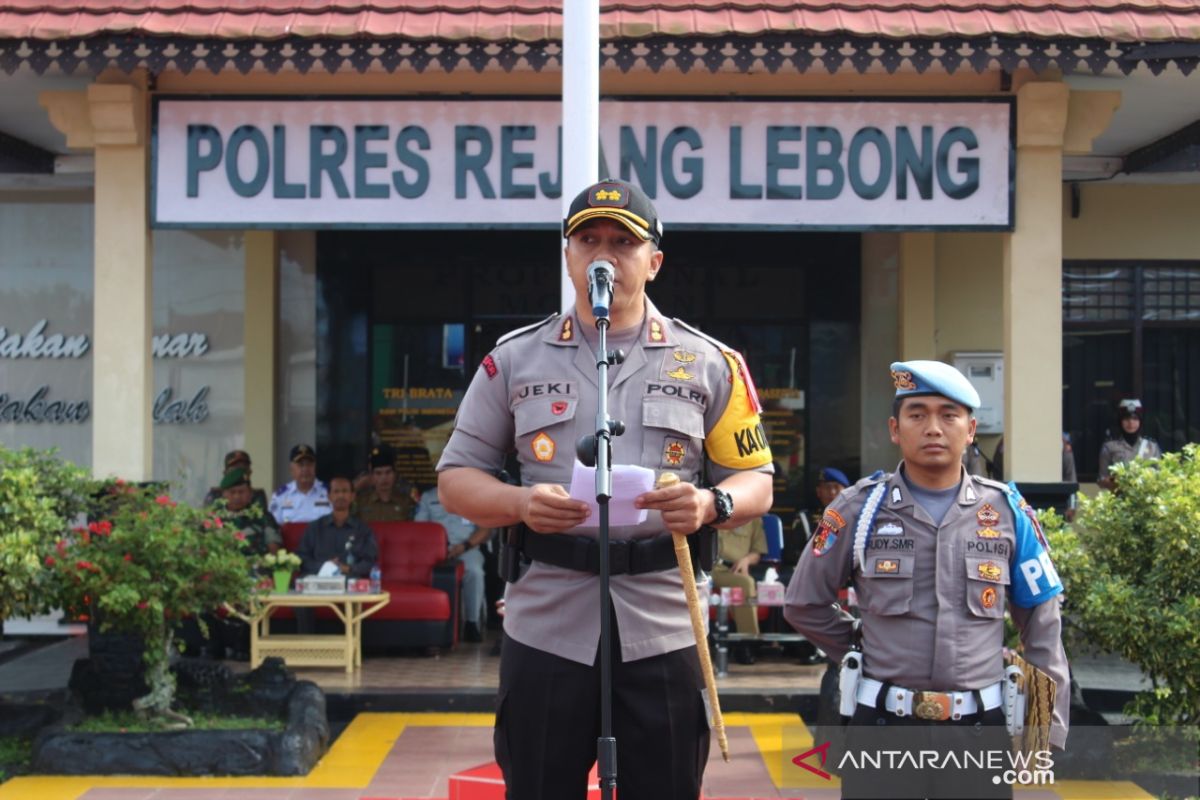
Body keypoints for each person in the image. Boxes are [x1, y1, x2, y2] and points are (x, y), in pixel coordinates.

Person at [436, 178, 774, 800]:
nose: (605, 255)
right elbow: (456, 480)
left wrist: (709, 504)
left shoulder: (709, 362)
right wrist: (519, 504)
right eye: (588, 239)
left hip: (665, 619)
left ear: (655, 261)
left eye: (624, 242)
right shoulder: (514, 359)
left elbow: (756, 480)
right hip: (547, 619)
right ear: (567, 254)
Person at [784, 360, 1069, 798]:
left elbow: (1043, 624)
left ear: (971, 429)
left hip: (978, 732)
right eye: (917, 415)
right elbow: (804, 603)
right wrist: (863, 647)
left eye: (948, 415)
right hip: (882, 727)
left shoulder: (1009, 513)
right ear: (895, 429)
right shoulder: (858, 510)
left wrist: (1043, 730)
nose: (933, 427)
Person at [294, 476, 379, 634]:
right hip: (318, 579)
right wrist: (326, 566)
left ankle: (349, 648)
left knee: (354, 593)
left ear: (352, 496)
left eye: (345, 491)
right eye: (336, 491)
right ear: (329, 496)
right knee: (301, 595)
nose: (341, 495)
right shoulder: (315, 528)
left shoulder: (363, 530)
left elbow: (369, 561)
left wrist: (348, 568)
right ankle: (307, 646)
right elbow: (302, 558)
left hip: (348, 578)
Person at [414, 486, 491, 642]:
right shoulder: (428, 497)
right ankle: (437, 625)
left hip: (467, 548)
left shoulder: (473, 496)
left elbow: (485, 530)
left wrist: (465, 546)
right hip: (435, 550)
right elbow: (419, 527)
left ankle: (472, 623)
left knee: (475, 572)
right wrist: (437, 547)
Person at [711, 516, 767, 664]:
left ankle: (743, 642)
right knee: (746, 584)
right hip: (713, 570)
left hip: (736, 571)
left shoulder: (753, 518)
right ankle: (748, 642)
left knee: (743, 583)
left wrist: (746, 560)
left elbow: (757, 552)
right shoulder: (712, 511)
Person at [1097, 398, 1161, 490]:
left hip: (1145, 499)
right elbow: (1102, 479)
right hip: (1119, 500)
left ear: (1140, 421)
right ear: (1120, 421)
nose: (1131, 422)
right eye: (1126, 418)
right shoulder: (1109, 447)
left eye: (1135, 418)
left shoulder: (1151, 446)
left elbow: (1160, 476)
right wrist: (1119, 481)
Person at [268, 444, 330, 524]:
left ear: (315, 467)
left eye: (309, 464)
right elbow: (272, 527)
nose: (305, 469)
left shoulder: (328, 492)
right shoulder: (281, 496)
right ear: (291, 469)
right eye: (301, 465)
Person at [355, 444, 416, 522]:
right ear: (372, 476)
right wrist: (357, 486)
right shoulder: (361, 502)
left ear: (395, 474)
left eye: (388, 472)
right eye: (378, 473)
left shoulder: (406, 502)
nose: (384, 478)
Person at [203, 449, 268, 510]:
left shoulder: (257, 496)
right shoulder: (215, 495)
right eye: (235, 468)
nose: (239, 472)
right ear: (225, 472)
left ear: (250, 472)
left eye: (243, 468)